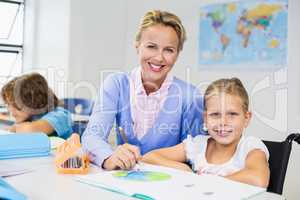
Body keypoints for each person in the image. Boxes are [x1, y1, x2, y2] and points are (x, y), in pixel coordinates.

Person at [82, 10, 204, 170]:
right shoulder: (116, 85)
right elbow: (92, 136)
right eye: (151, 47)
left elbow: (196, 154)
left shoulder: (191, 96)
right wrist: (109, 157)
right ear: (137, 46)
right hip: (125, 182)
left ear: (178, 54)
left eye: (169, 50)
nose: (159, 57)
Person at [142, 78, 270, 187]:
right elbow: (149, 157)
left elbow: (258, 179)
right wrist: (183, 169)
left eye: (232, 114)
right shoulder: (198, 144)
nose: (223, 122)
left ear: (246, 118)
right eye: (215, 114)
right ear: (205, 118)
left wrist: (207, 182)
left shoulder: (250, 147)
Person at [1, 72, 73, 139]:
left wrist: (15, 128)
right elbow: (11, 130)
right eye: (8, 104)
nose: (11, 110)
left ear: (35, 101)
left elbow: (28, 130)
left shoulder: (59, 115)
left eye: (16, 105)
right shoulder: (30, 116)